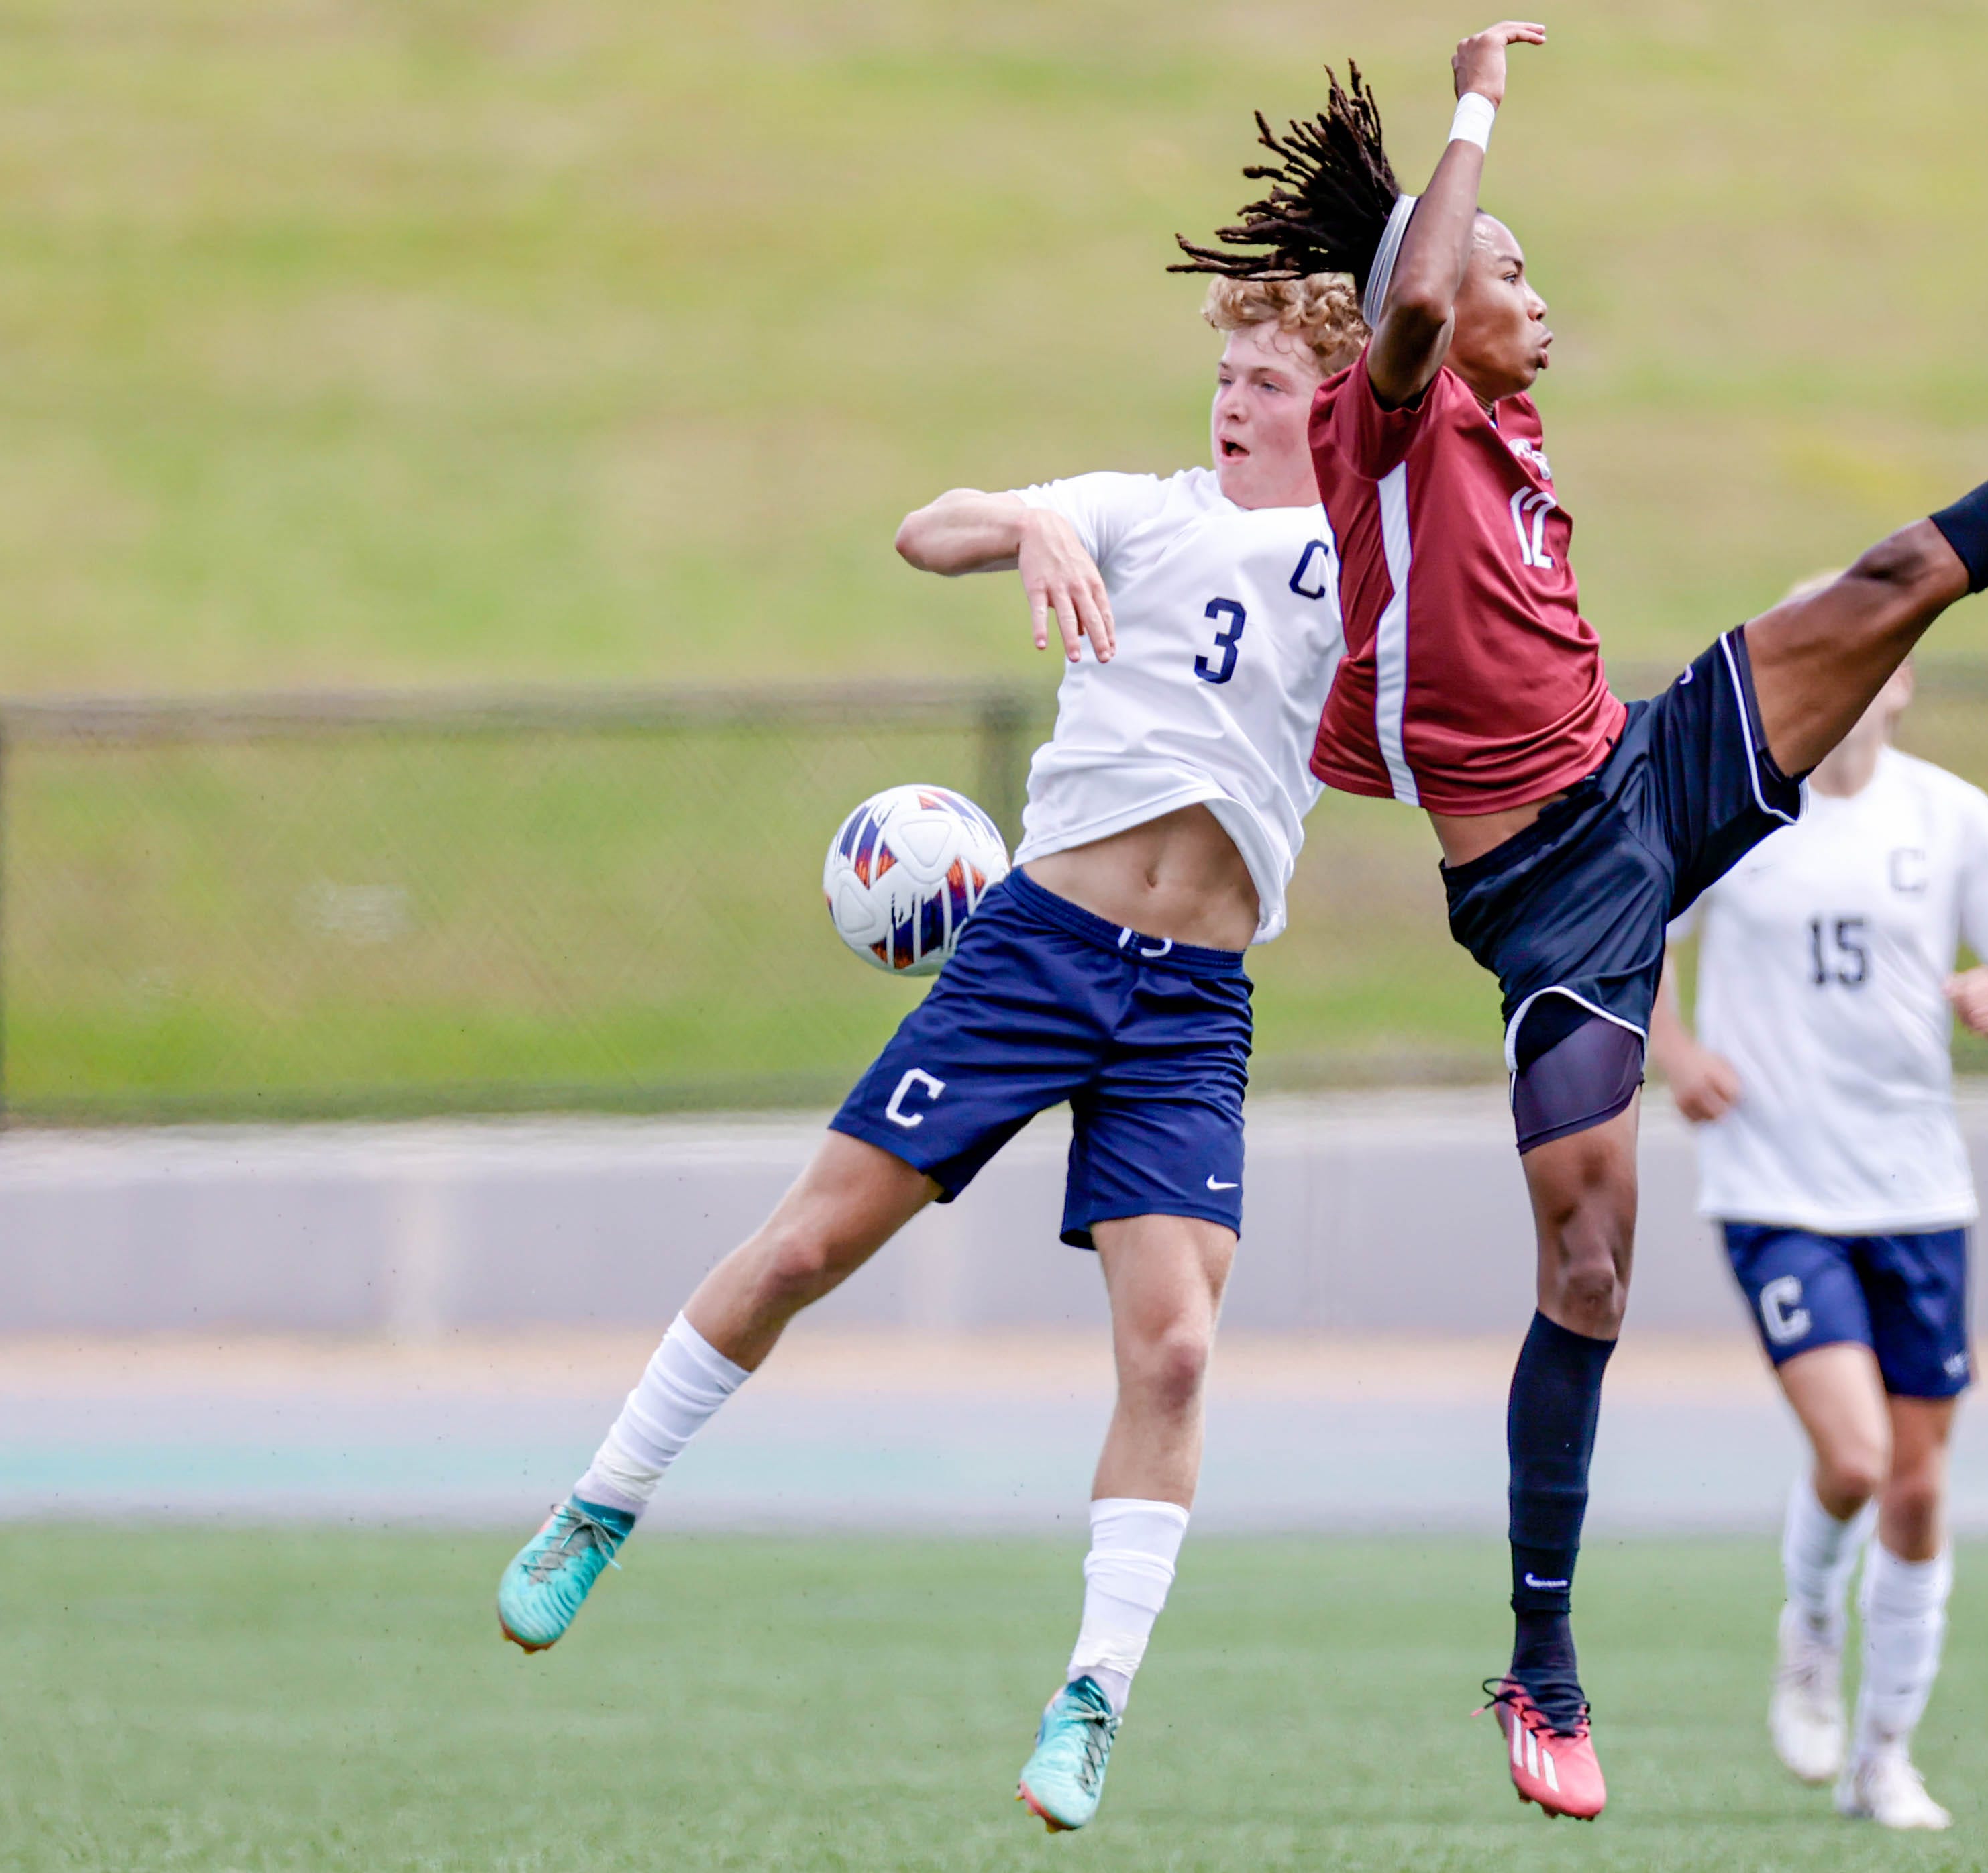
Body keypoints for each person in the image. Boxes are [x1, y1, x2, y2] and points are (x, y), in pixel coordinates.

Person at [1171, 23, 1988, 1819]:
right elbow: (1403, 310)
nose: (1538, 295)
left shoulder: (1506, 428)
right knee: (1590, 1273)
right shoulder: (1383, 419)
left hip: (1644, 769)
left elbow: (1452, 347)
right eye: (1510, 268)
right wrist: (1472, 107)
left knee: (1897, 581)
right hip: (1554, 907)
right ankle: (1540, 1671)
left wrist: (1466, 236)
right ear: (1436, 289)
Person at [490, 275, 1363, 1835]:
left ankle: (1092, 1694)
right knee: (806, 1246)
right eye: (1223, 376)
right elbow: (924, 527)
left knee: (1173, 1349)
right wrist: (1029, 526)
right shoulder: (1135, 512)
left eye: (1269, 385)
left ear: (1335, 406)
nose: (1232, 404)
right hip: (1039, 953)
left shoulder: (1367, 554)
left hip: (1192, 1006)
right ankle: (598, 1505)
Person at [1649, 651, 1988, 1831]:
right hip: (1776, 1187)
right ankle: (1810, 1624)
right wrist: (1676, 1059)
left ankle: (1883, 1757)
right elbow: (1638, 937)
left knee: (1920, 1492)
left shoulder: (1950, 816)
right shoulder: (1740, 811)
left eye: (1872, 666)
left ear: (1902, 688)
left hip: (1918, 1193)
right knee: (1855, 1461)